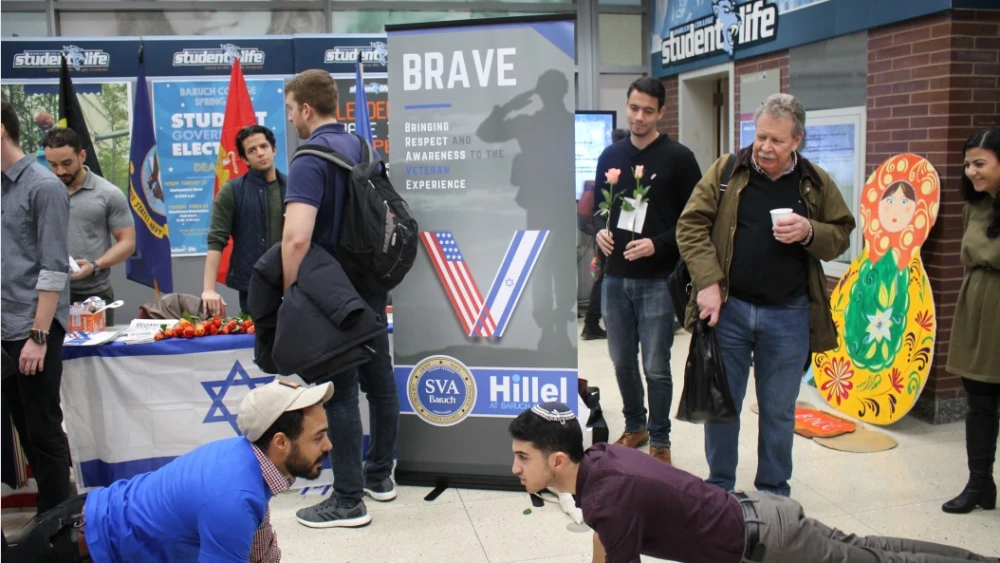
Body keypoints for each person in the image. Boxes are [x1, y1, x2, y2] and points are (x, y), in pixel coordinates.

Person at [508, 402, 1000, 563]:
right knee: (871, 549)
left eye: (522, 458)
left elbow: (610, 533)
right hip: (759, 513)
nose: (515, 470)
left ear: (556, 459)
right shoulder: (600, 460)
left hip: (768, 542)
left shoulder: (607, 499)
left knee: (876, 560)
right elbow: (601, 532)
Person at [676, 93, 856, 497]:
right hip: (731, 310)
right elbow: (690, 225)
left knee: (778, 410)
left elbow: (842, 232)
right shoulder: (727, 171)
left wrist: (810, 231)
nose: (765, 148)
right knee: (723, 408)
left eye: (776, 140)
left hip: (789, 315)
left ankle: (774, 492)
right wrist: (707, 284)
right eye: (760, 137)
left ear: (797, 140)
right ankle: (719, 489)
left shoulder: (814, 182)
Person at [3, 379, 333, 562]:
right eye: (317, 437)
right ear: (279, 442)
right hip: (75, 548)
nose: (328, 445)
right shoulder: (233, 498)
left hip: (85, 521)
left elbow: (260, 546)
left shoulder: (246, 457)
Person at [282, 69, 399, 528]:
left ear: (307, 109)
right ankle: (380, 477)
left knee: (342, 395)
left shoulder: (309, 159)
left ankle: (348, 500)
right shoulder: (363, 148)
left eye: (291, 110)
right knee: (380, 380)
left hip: (332, 293)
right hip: (371, 285)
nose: (291, 119)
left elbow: (295, 239)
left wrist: (294, 292)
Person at [590, 77, 703, 464]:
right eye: (634, 108)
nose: (639, 117)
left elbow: (696, 219)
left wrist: (658, 243)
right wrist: (600, 231)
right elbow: (599, 209)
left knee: (655, 365)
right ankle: (635, 425)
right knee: (622, 361)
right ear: (627, 105)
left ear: (662, 112)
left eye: (648, 111)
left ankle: (660, 438)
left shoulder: (679, 158)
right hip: (615, 277)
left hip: (658, 280)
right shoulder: (610, 156)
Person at [1, 99, 73, 514]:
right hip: (6, 327)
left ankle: (59, 524)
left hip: (34, 330)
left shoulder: (42, 186)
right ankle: (50, 520)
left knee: (44, 432)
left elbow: (52, 268)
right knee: (25, 430)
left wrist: (38, 337)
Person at [943, 128, 1000, 515]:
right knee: (978, 403)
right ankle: (980, 483)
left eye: (980, 163)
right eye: (967, 164)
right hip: (976, 308)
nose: (971, 172)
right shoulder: (974, 207)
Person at [41, 127, 135, 325]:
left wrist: (94, 266)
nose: (61, 171)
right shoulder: (42, 192)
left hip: (93, 296)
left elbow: (127, 243)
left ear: (82, 155)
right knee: (53, 354)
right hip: (49, 293)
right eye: (53, 165)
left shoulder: (108, 193)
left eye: (67, 163)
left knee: (97, 355)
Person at [203, 125, 287, 317]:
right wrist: (209, 289)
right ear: (244, 159)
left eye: (264, 146)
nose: (260, 153)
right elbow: (216, 241)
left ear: (274, 150)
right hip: (253, 286)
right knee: (258, 344)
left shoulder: (294, 188)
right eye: (252, 150)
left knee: (294, 344)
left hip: (292, 284)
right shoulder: (232, 191)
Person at [581, 128, 630, 341]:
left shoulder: (608, 158)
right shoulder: (617, 162)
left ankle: (592, 323)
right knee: (605, 277)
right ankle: (592, 323)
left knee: (602, 275)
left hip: (603, 227)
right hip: (613, 230)